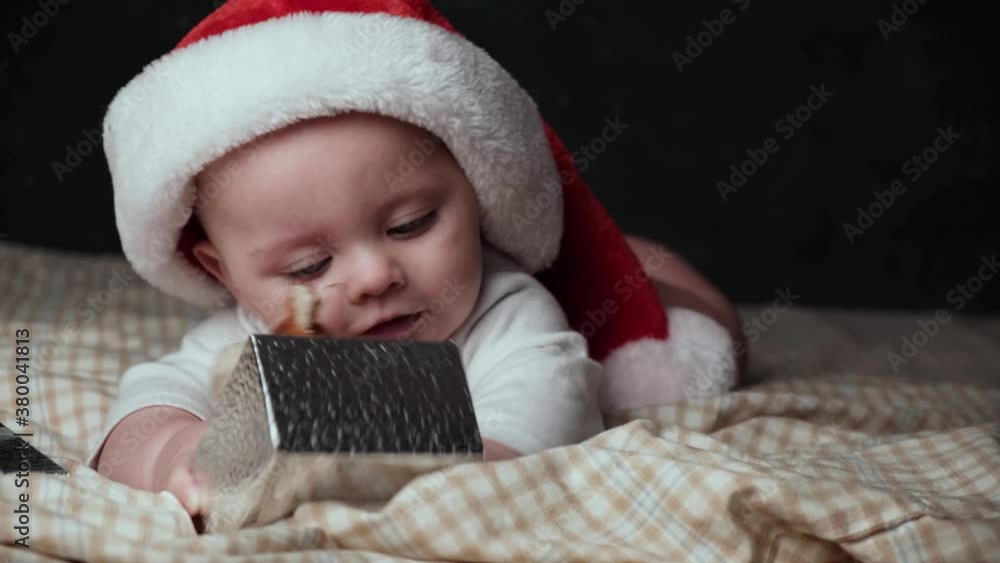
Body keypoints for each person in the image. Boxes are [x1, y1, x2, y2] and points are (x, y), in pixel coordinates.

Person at [87, 0, 743, 520]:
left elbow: (541, 433)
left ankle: (657, 270)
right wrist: (174, 453)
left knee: (679, 312)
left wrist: (373, 463)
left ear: (476, 191)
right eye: (309, 266)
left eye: (412, 223)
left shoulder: (509, 314)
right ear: (224, 274)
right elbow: (148, 400)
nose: (374, 277)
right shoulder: (253, 335)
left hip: (613, 301)